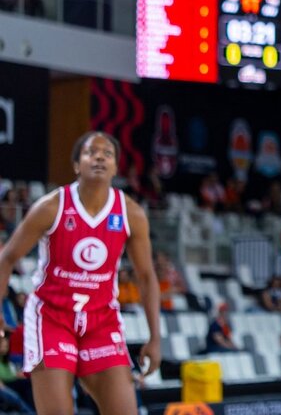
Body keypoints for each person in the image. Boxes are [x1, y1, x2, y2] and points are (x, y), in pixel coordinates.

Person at [0, 132, 161, 414]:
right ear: (76, 165)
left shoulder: (131, 213)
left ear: (115, 167)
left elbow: (146, 277)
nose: (99, 157)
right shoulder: (51, 206)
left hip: (101, 320)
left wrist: (155, 338)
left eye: (107, 154)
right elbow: (8, 257)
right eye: (90, 152)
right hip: (51, 318)